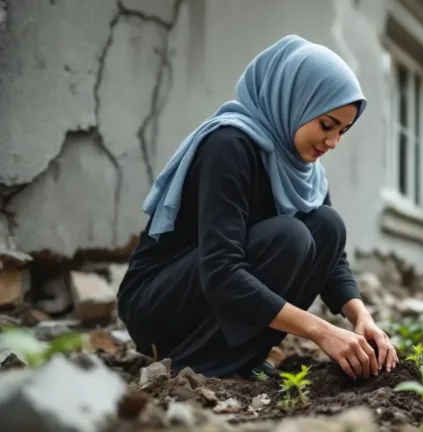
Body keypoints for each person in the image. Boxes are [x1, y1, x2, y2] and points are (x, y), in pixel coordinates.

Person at [116, 35, 398, 380]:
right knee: (290, 235)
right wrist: (322, 331)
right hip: (158, 304)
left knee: (327, 225)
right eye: (326, 124)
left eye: (343, 130)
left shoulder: (303, 168)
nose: (333, 142)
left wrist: (361, 318)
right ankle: (198, 363)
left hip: (211, 295)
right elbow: (221, 270)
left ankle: (238, 359)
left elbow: (332, 261)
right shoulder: (229, 146)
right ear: (295, 100)